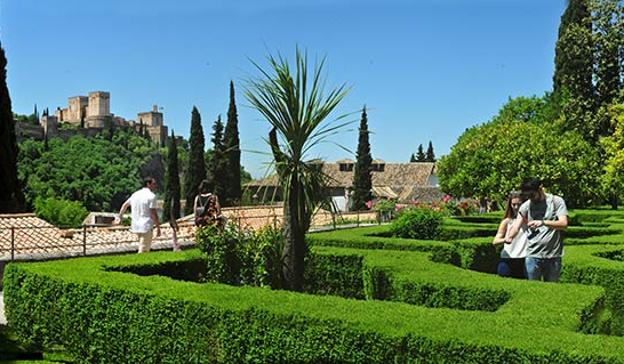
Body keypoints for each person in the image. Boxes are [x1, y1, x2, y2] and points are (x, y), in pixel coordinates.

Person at [506, 178, 568, 282]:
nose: (530, 198)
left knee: (551, 290)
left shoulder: (556, 202)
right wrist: (510, 236)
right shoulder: (526, 206)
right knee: (533, 289)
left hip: (553, 256)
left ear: (540, 189)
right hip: (532, 256)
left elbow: (563, 224)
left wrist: (543, 222)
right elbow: (516, 226)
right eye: (527, 196)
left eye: (532, 195)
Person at [115, 177, 161, 253]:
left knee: (142, 245)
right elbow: (153, 213)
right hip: (146, 226)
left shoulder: (135, 194)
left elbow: (125, 205)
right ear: (148, 184)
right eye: (154, 184)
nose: (155, 185)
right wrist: (158, 227)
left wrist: (120, 217)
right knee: (143, 250)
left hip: (136, 225)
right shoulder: (151, 196)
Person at [492, 192, 528, 279]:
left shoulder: (530, 222)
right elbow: (495, 241)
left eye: (519, 204)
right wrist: (505, 240)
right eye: (513, 204)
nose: (516, 207)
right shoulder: (506, 222)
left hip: (524, 259)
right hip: (507, 259)